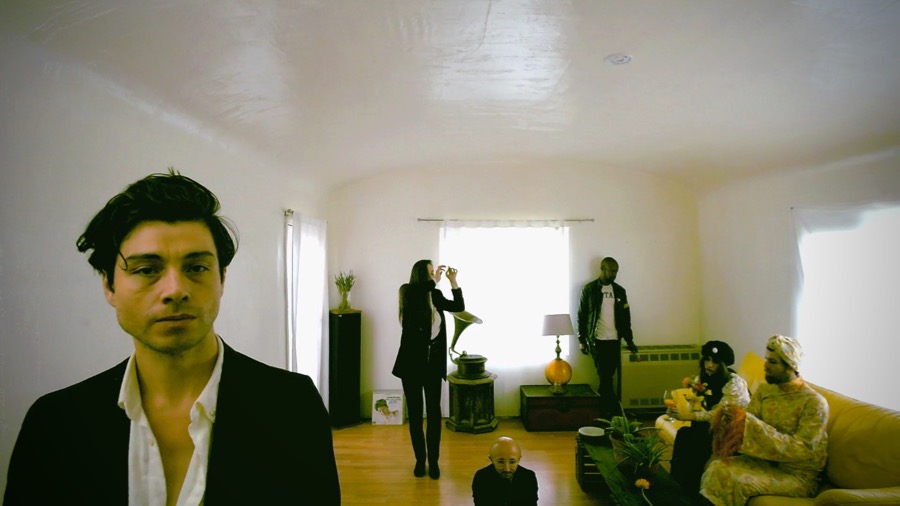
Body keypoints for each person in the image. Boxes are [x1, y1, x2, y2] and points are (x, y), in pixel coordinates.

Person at [4, 170, 341, 505]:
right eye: (146, 270)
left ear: (222, 279)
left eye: (196, 267)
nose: (175, 290)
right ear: (109, 285)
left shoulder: (292, 407)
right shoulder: (55, 425)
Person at [699, 335, 828, 506]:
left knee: (734, 480)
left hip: (796, 475)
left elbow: (803, 449)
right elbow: (745, 425)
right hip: (763, 462)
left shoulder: (814, 403)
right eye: (766, 359)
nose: (765, 365)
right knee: (716, 468)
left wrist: (752, 425)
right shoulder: (765, 390)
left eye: (773, 362)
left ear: (791, 366)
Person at [391, 260, 464, 479]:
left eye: (434, 273)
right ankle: (419, 460)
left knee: (434, 414)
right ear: (421, 274)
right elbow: (418, 292)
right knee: (415, 415)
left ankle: (433, 462)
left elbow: (458, 307)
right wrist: (434, 281)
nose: (434, 276)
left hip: (433, 365)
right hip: (411, 365)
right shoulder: (407, 292)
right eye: (431, 272)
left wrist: (453, 282)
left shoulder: (435, 295)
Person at [667, 340, 751, 495]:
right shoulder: (703, 378)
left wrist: (690, 416)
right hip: (710, 426)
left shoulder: (734, 383)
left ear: (723, 365)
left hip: (729, 429)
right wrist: (681, 409)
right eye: (707, 360)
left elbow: (719, 413)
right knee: (685, 434)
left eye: (715, 362)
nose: (709, 365)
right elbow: (699, 404)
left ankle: (690, 490)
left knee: (694, 440)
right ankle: (677, 485)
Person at [577, 256, 638, 417]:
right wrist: (582, 340)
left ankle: (604, 412)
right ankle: (612, 412)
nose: (614, 274)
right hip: (597, 340)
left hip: (614, 340)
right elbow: (581, 315)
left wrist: (629, 340)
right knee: (605, 376)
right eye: (611, 271)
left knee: (608, 377)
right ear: (603, 269)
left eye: (616, 271)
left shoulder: (620, 291)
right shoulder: (589, 290)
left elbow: (626, 318)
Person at [472, 436, 539, 506]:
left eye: (512, 462)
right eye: (501, 462)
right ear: (491, 460)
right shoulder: (481, 478)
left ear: (519, 460)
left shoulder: (529, 477)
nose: (507, 469)